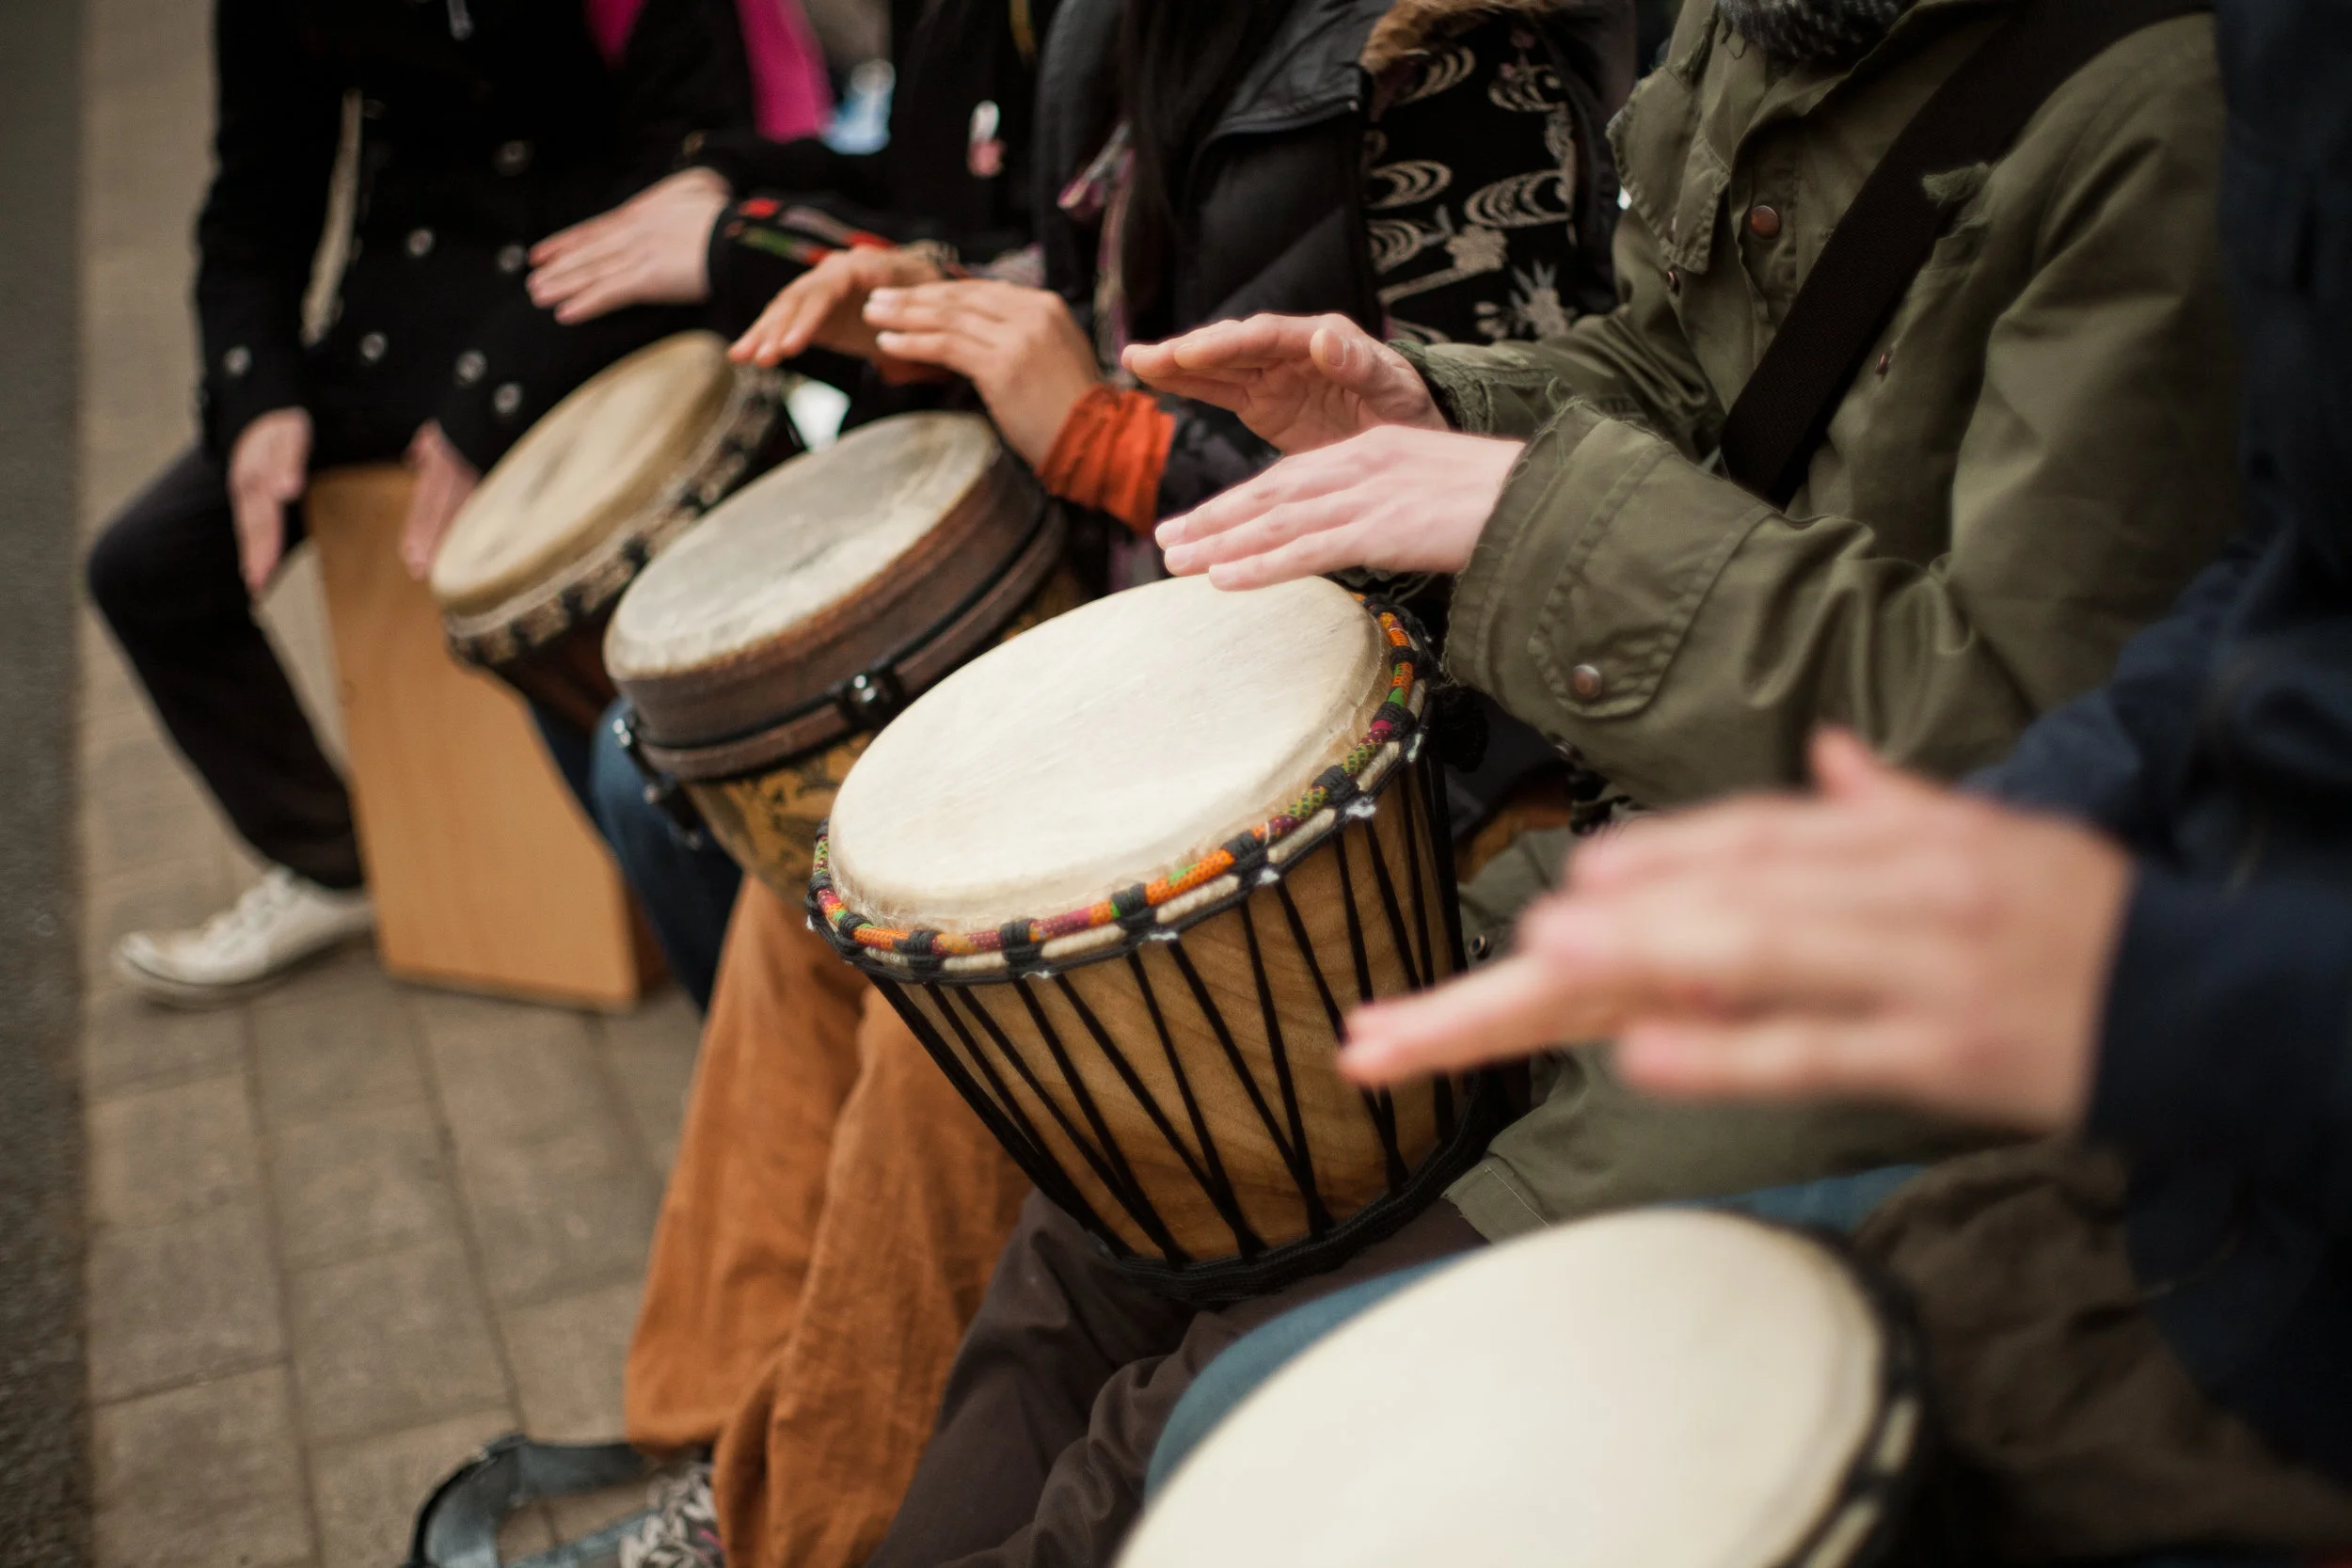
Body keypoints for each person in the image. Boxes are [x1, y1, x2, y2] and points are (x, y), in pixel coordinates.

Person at [615, 2, 1632, 1565]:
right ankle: (718, 1443)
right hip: (1195, 650)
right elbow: (1134, 313)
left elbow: (1503, 508)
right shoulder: (1126, 28)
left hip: (1438, 756)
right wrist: (937, 311)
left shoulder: (1446, 59)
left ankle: (785, 1529)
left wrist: (1110, 441)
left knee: (933, 1034)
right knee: (803, 914)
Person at [87, 0, 771, 1007]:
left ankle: (693, 906)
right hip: (394, 327)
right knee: (144, 566)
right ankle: (342, 865)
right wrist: (257, 395)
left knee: (622, 732)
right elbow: (257, 199)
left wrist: (486, 405)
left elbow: (693, 158)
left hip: (593, 306)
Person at [509, 0, 1063, 1007]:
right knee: (624, 718)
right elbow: (920, 178)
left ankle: (879, 1029)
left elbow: (1030, 262)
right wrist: (734, 172)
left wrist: (744, 243)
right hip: (933, 430)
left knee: (640, 768)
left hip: (1046, 477)